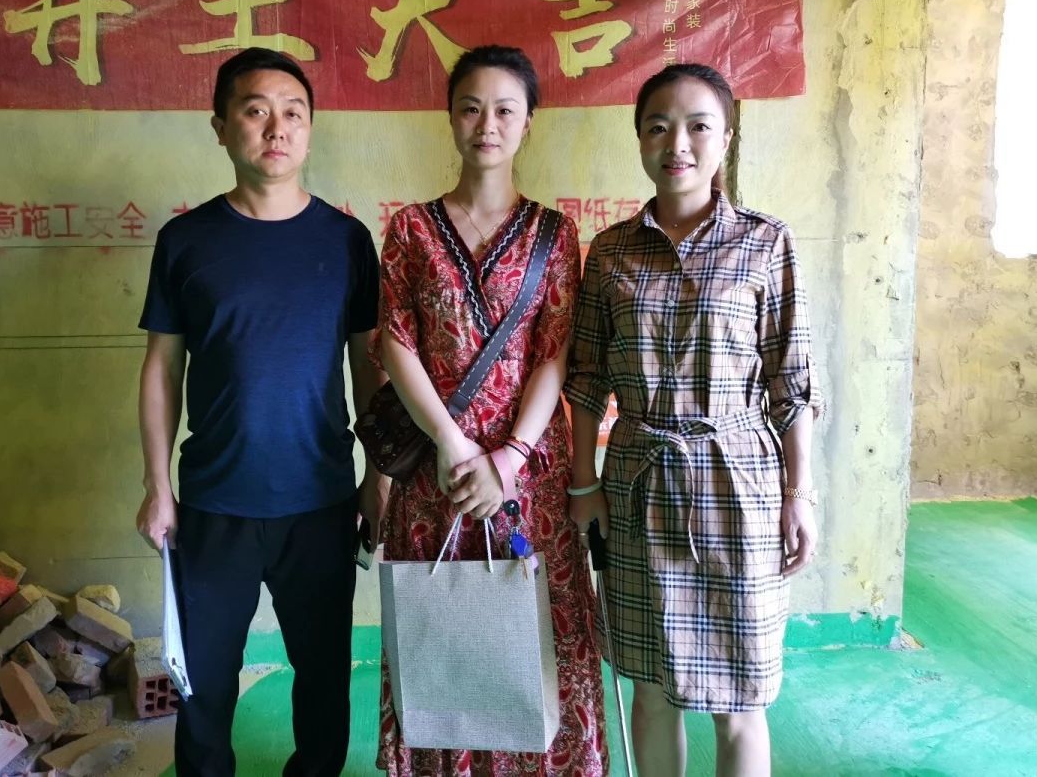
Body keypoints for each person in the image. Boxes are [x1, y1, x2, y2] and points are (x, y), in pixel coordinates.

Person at [565, 63, 824, 777]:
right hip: (639, 487)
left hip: (740, 489)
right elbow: (585, 380)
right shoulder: (610, 252)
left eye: (698, 126)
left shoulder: (766, 243)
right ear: (639, 139)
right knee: (651, 691)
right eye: (658, 127)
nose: (676, 143)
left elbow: (793, 382)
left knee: (742, 698)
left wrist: (799, 495)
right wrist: (583, 482)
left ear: (726, 138)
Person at [135, 47, 382, 777]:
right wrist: (157, 486)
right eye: (256, 110)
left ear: (310, 129)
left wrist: (379, 477)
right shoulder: (186, 242)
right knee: (204, 686)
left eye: (293, 113)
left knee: (324, 676)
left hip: (322, 500)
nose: (278, 127)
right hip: (215, 502)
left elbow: (368, 368)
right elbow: (162, 368)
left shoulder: (347, 241)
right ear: (220, 127)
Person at [370, 45, 609, 776]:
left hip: (526, 482)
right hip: (435, 479)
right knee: (443, 635)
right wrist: (451, 443)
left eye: (505, 110)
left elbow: (555, 354)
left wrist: (508, 457)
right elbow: (395, 342)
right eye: (471, 108)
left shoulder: (554, 234)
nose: (488, 124)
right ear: (451, 118)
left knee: (539, 635)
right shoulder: (411, 230)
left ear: (528, 122)